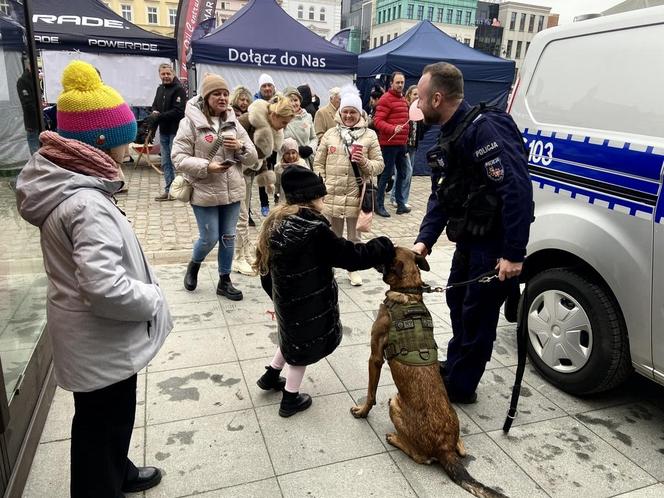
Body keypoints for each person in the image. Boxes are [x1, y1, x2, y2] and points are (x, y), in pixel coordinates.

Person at [15, 60, 171, 497]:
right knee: (101, 423)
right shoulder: (85, 203)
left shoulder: (72, 187)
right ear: (102, 143)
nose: (130, 147)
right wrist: (151, 298)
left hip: (92, 337)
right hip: (98, 337)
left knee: (107, 419)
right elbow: (103, 287)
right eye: (125, 139)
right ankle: (100, 486)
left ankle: (117, 471)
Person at [412, 62, 533, 404]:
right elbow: (442, 193)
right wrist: (424, 240)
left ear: (437, 98)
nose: (417, 106)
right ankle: (456, 366)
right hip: (469, 240)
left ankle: (462, 386)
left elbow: (516, 191)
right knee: (457, 302)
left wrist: (513, 253)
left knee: (477, 316)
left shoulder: (485, 130)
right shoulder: (452, 132)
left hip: (492, 246)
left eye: (420, 99)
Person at [254, 165, 395, 417]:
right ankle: (290, 399)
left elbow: (265, 269)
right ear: (309, 199)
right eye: (321, 195)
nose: (324, 199)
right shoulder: (314, 230)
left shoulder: (276, 223)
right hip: (309, 304)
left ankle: (270, 375)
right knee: (302, 350)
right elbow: (350, 256)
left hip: (288, 301)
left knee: (291, 338)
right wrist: (382, 246)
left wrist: (277, 299)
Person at [172, 73, 259, 301]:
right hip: (204, 191)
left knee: (229, 237)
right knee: (209, 237)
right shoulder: (190, 122)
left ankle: (224, 280)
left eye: (225, 94)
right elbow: (178, 158)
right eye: (216, 94)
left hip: (232, 191)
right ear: (206, 96)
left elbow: (253, 157)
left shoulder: (234, 122)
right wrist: (207, 166)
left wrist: (240, 146)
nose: (222, 98)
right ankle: (194, 265)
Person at [314, 85, 384, 287]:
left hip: (356, 195)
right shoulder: (330, 135)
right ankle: (330, 268)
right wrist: (323, 183)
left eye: (352, 112)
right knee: (332, 236)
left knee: (354, 237)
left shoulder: (369, 135)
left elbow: (379, 166)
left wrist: (363, 162)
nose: (348, 115)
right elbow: (319, 163)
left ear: (359, 113)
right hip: (332, 193)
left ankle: (353, 269)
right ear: (340, 112)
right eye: (345, 111)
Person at [373, 71, 411, 217]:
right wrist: (392, 129)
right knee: (386, 175)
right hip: (388, 144)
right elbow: (377, 121)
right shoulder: (385, 99)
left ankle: (400, 203)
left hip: (401, 144)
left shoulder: (402, 100)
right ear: (391, 83)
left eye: (402, 82)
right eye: (397, 82)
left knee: (403, 173)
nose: (400, 85)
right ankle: (379, 205)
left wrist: (405, 142)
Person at [150, 63, 187, 201]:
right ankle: (169, 190)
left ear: (173, 74)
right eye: (163, 74)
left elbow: (178, 111)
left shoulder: (179, 90)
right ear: (159, 74)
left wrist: (159, 116)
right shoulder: (160, 89)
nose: (165, 76)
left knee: (175, 161)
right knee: (165, 162)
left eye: (168, 74)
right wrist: (154, 111)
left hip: (176, 131)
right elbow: (154, 104)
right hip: (163, 131)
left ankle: (180, 189)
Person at [390, 84, 418, 210]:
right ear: (409, 95)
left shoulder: (419, 109)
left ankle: (396, 197)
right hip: (403, 145)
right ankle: (399, 198)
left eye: (419, 94)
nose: (417, 97)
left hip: (413, 145)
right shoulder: (405, 108)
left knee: (406, 173)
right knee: (406, 171)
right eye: (415, 94)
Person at [282, 86, 317, 170]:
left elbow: (314, 138)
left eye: (296, 100)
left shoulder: (307, 117)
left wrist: (310, 148)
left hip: (306, 162)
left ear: (300, 101)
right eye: (290, 101)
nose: (294, 103)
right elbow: (277, 141)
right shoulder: (281, 118)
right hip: (287, 163)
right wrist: (295, 150)